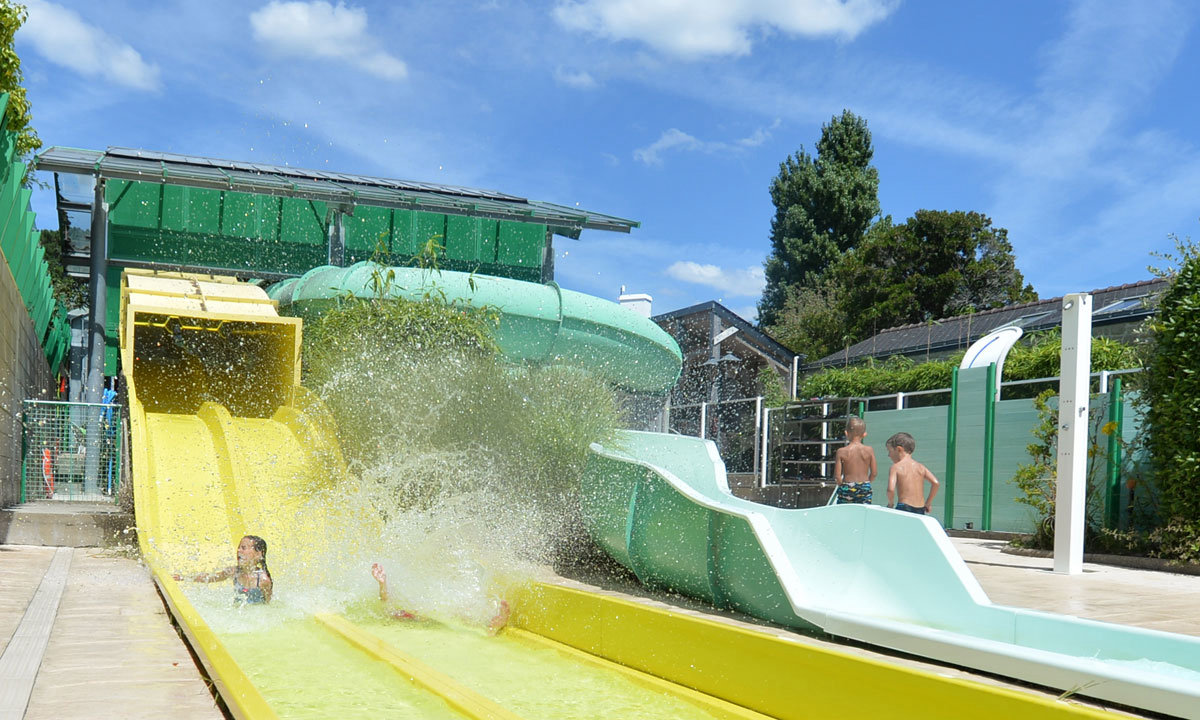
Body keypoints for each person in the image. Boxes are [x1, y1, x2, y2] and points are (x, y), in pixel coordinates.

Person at [371, 562, 509, 634]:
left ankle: (491, 624)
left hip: (440, 612)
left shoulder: (433, 599)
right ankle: (492, 626)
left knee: (460, 608)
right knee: (458, 612)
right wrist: (382, 585)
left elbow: (389, 607)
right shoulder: (417, 611)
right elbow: (388, 609)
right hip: (435, 617)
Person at [178, 535, 273, 604]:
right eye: (238, 547)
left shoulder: (263, 580)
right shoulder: (234, 572)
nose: (239, 550)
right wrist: (183, 577)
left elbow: (267, 604)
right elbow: (210, 578)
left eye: (243, 548)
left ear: (258, 554)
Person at [885, 432, 939, 515]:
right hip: (920, 509)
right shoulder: (920, 467)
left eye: (890, 451)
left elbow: (890, 490)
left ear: (899, 449)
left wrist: (890, 504)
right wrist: (928, 503)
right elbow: (935, 483)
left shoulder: (895, 467)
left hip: (904, 507)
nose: (889, 455)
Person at [833, 417, 876, 504]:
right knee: (863, 514)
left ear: (846, 433)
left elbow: (837, 476)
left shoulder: (841, 452)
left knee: (844, 513)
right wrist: (865, 484)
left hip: (847, 485)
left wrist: (843, 486)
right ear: (864, 434)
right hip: (864, 485)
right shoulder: (869, 450)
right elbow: (874, 473)